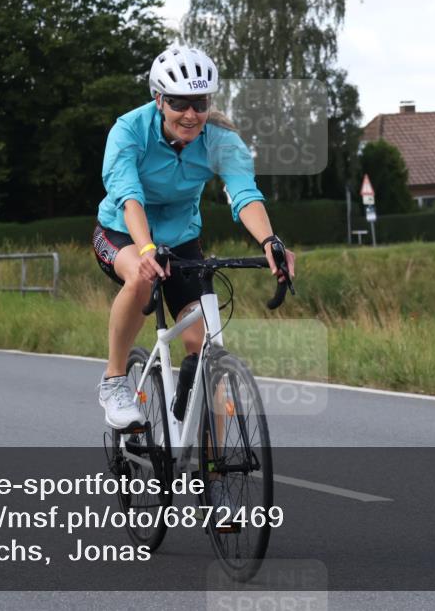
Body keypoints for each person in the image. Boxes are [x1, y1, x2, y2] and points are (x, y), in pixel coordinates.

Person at [93, 45, 296, 429]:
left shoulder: (221, 140)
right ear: (159, 100)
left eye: (199, 103)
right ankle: (115, 381)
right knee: (140, 274)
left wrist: (270, 242)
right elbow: (129, 196)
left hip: (181, 238)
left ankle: (214, 480)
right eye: (179, 103)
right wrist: (147, 248)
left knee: (205, 352)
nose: (190, 114)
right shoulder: (129, 130)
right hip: (122, 230)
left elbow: (244, 194)